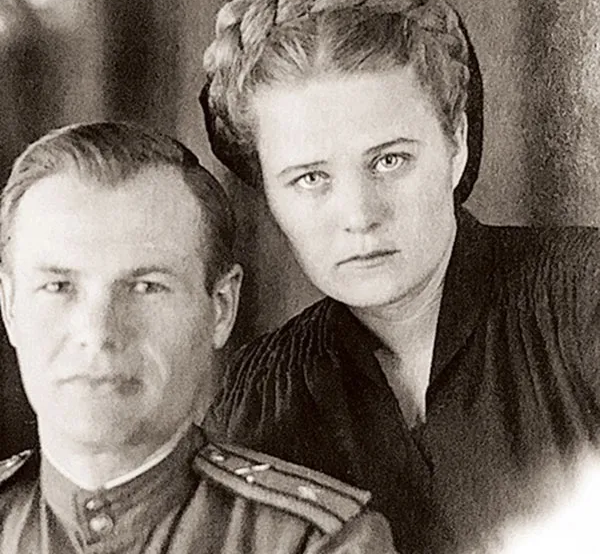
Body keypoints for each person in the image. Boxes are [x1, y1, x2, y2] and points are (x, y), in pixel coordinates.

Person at [200, 0, 600, 553]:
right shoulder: (254, 403)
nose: (359, 215)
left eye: (390, 160)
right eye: (310, 178)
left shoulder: (583, 296)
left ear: (456, 144)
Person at [0, 122, 397, 553]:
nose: (98, 333)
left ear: (221, 308)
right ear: (9, 305)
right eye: (58, 287)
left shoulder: (312, 542)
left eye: (146, 287)